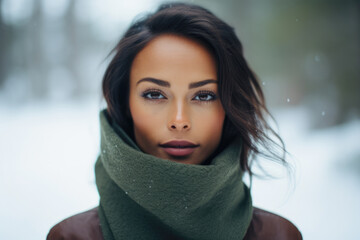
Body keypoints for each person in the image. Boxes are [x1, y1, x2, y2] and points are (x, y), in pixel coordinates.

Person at [47, 2, 302, 240]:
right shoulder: (71, 237)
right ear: (126, 104)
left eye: (204, 95)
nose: (179, 121)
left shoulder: (278, 235)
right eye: (154, 94)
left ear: (230, 106)